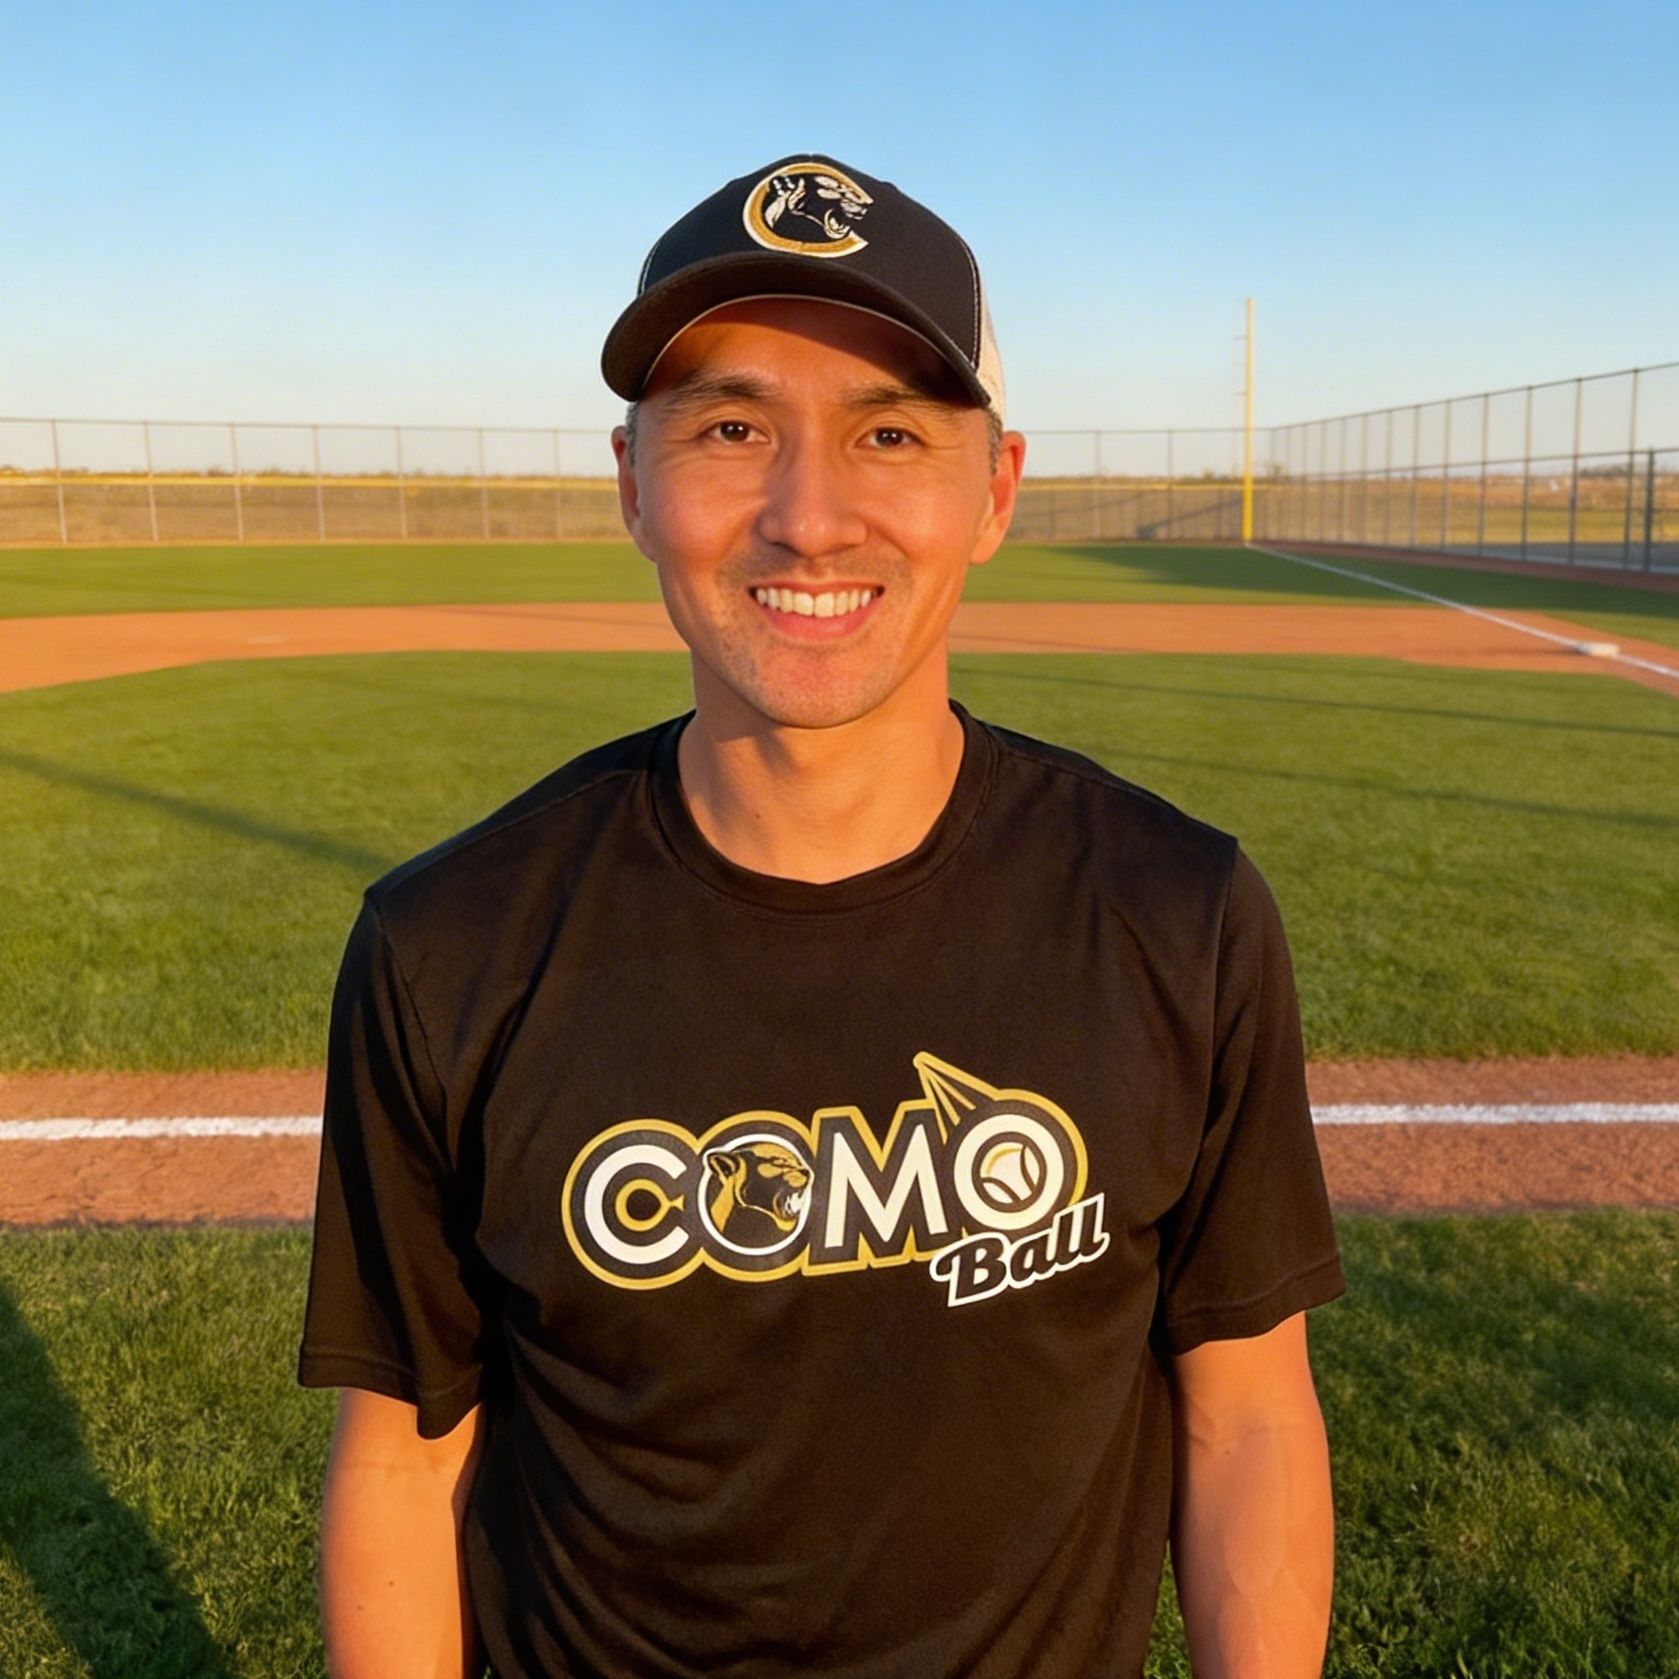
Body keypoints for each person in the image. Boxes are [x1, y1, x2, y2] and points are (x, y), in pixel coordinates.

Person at [298, 153, 1346, 1679]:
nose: (808, 514)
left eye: (891, 431)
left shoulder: (1177, 913)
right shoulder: (446, 947)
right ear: (633, 485)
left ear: (994, 491)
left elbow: (1248, 1408)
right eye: (731, 428)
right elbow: (400, 1459)